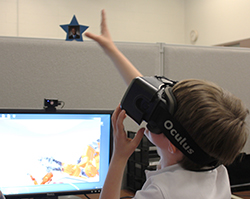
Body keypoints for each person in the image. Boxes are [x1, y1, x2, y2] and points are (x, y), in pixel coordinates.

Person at [85, 10, 249, 199]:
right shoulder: (216, 171)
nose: (151, 114)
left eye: (157, 116)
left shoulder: (160, 193)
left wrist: (119, 157)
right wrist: (111, 50)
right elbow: (158, 105)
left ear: (173, 143)